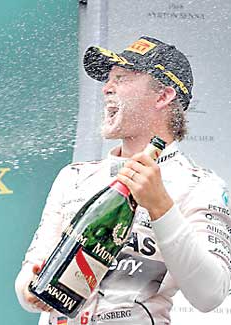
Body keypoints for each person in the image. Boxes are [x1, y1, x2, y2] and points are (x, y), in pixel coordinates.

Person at [15, 36, 231, 324]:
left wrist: (161, 207)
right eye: (108, 80)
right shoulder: (74, 177)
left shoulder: (200, 185)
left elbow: (210, 294)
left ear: (163, 96)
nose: (106, 88)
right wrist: (29, 289)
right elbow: (29, 277)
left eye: (122, 78)